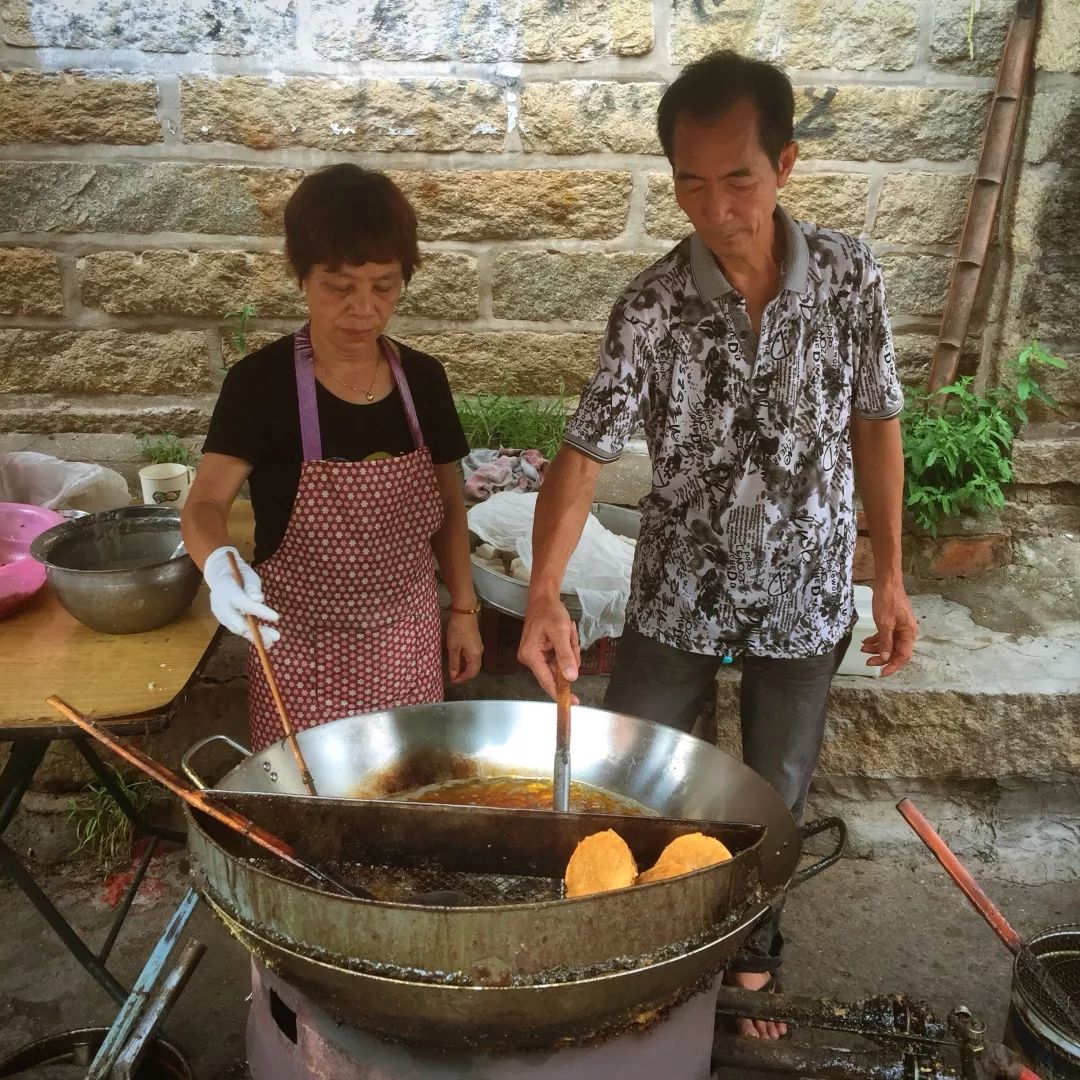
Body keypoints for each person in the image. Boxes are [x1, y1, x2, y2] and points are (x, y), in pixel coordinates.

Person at [518, 51, 917, 1039]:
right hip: (679, 586)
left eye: (737, 177)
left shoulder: (849, 277)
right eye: (690, 181)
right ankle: (644, 945)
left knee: (774, 785)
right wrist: (543, 590)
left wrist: (894, 577)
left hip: (810, 582)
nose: (715, 204)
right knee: (641, 770)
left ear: (783, 164)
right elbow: (581, 452)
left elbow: (876, 421)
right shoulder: (651, 307)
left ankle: (750, 953)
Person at [182, 164, 483, 753]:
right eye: (340, 287)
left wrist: (464, 611)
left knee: (405, 794)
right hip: (298, 652)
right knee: (306, 809)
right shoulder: (259, 385)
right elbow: (205, 503)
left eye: (385, 286)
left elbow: (448, 505)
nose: (364, 310)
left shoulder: (423, 380)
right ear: (301, 276)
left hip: (407, 641)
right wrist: (219, 566)